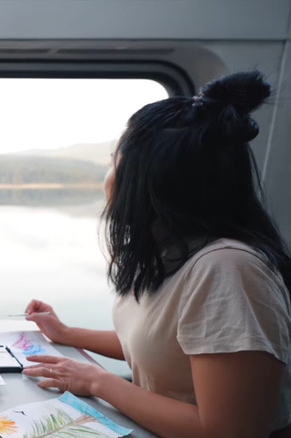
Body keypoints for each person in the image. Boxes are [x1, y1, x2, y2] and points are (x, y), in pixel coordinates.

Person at [22, 71, 291, 437]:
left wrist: (100, 382)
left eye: (114, 161)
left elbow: (229, 430)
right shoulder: (178, 255)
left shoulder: (228, 269)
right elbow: (161, 348)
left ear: (147, 177)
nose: (107, 176)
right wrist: (66, 332)